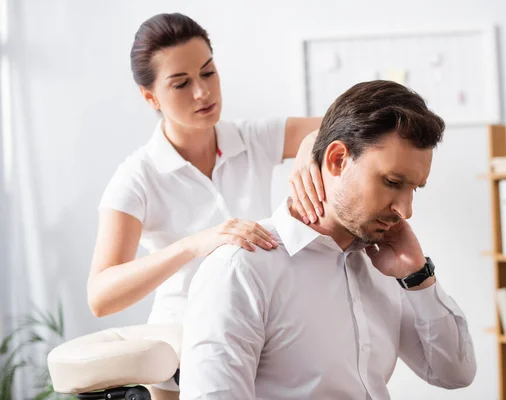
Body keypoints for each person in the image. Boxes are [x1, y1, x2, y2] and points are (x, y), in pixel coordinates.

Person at [180, 80, 477, 399]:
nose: (405, 210)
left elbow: (454, 373)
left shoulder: (384, 263)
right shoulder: (241, 270)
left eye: (414, 189)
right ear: (337, 160)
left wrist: (418, 277)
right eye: (392, 182)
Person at [86, 12, 324, 398]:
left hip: (260, 337)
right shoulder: (137, 178)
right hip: (180, 355)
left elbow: (337, 126)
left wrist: (306, 151)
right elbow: (100, 296)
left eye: (208, 73)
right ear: (151, 98)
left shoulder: (253, 139)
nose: (203, 92)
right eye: (181, 83)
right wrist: (194, 244)